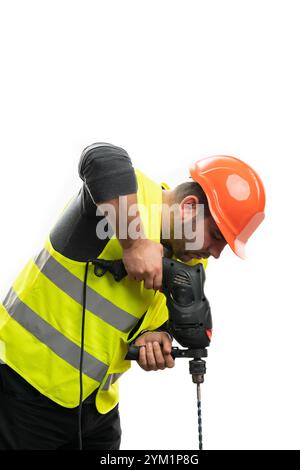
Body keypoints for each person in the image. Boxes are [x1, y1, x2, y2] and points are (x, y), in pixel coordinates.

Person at [0, 143, 265, 450]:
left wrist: (155, 336)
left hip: (96, 408)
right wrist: (134, 242)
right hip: (22, 389)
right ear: (190, 206)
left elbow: (145, 318)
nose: (217, 253)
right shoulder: (127, 197)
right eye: (218, 235)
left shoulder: (189, 256)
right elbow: (101, 158)